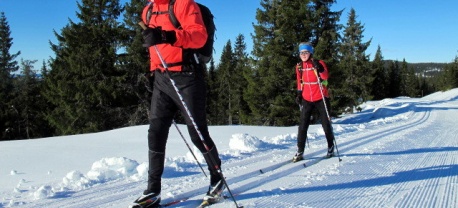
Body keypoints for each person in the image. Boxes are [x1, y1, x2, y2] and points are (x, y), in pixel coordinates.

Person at [131, 0, 224, 207]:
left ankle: (217, 179)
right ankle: (152, 190)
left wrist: (166, 36)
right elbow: (153, 47)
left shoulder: (184, 4)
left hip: (187, 75)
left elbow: (199, 36)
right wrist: (151, 72)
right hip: (162, 78)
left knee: (197, 133)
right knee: (156, 132)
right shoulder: (148, 11)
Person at [293, 42, 335, 162]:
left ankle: (330, 147)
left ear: (310, 53)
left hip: (321, 96)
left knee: (326, 124)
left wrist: (320, 69)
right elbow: (299, 81)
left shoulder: (318, 63)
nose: (303, 55)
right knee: (303, 125)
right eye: (301, 53)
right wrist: (299, 93)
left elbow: (325, 77)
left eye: (306, 52)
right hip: (307, 97)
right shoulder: (299, 66)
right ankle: (300, 151)